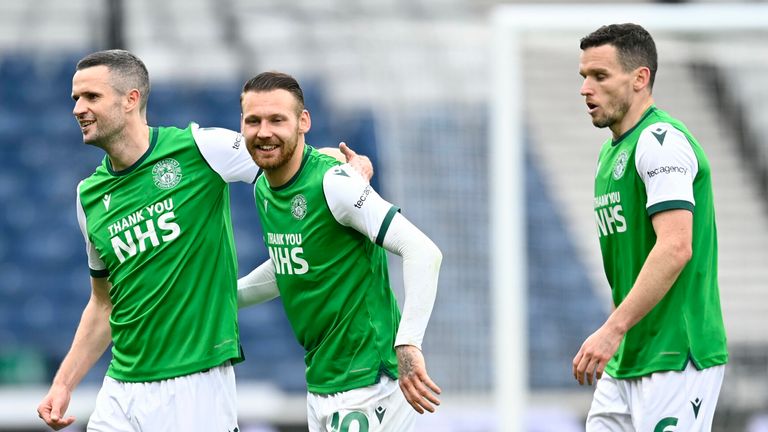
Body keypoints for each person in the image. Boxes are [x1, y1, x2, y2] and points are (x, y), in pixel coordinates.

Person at [35, 49, 372, 431]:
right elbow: (103, 304)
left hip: (195, 384)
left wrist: (344, 165)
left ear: (131, 99)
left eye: (91, 97)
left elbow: (289, 162)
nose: (78, 108)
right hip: (121, 386)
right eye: (75, 98)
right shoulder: (88, 197)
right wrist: (63, 384)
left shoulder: (198, 149)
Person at [236, 71, 443, 432]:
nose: (263, 131)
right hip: (323, 384)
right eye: (253, 120)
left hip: (368, 385)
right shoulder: (264, 190)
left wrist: (408, 344)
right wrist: (221, 296)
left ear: (303, 122)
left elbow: (423, 252)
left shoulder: (336, 183)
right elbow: (290, 264)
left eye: (276, 120)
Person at [572, 23, 728, 431]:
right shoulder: (609, 155)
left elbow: (676, 247)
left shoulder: (661, 142)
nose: (586, 89)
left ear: (640, 78)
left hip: (677, 355)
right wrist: (617, 337)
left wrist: (611, 330)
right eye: (584, 77)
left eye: (600, 76)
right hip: (628, 359)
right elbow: (629, 267)